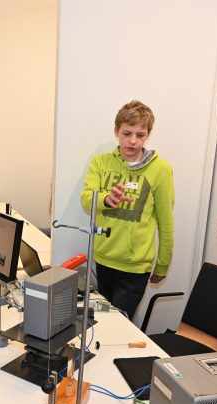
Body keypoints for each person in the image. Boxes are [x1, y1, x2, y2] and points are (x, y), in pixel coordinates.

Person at [80, 100, 175, 319]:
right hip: (103, 259)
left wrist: (163, 264)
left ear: (148, 135)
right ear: (116, 131)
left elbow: (166, 222)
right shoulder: (100, 163)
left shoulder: (161, 170)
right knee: (101, 321)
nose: (133, 141)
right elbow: (86, 200)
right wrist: (106, 198)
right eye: (127, 133)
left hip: (135, 268)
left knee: (119, 323)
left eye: (140, 135)